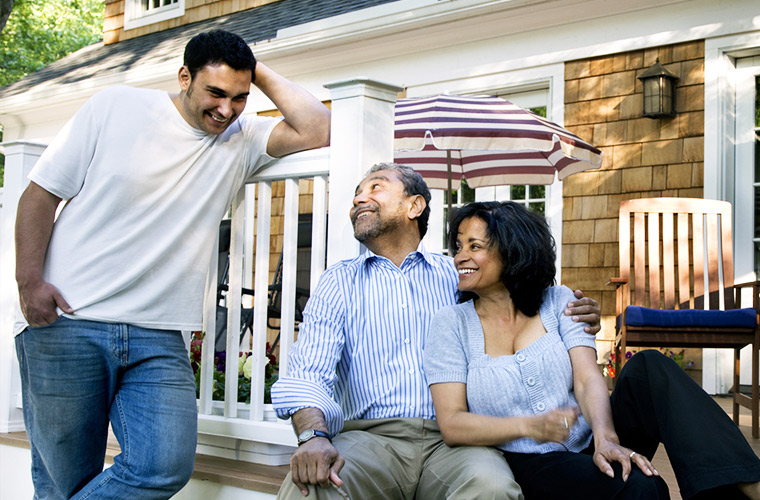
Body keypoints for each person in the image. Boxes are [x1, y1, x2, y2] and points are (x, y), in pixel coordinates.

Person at [14, 29, 330, 500]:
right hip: (69, 320)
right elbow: (40, 195)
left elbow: (319, 127)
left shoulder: (242, 137)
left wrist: (252, 67)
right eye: (215, 92)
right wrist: (29, 282)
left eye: (239, 97)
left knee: (164, 465)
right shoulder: (115, 106)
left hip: (159, 334)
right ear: (185, 77)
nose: (226, 109)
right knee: (64, 481)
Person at [271, 163, 602, 499]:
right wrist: (313, 436)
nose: (358, 199)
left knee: (492, 487)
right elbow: (308, 374)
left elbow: (521, 301)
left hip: (454, 444)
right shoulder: (339, 281)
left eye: (375, 187)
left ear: (414, 205)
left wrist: (578, 313)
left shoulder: (459, 276)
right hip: (370, 439)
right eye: (357, 193)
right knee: (312, 485)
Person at [424, 201, 760, 500]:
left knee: (649, 367)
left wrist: (605, 438)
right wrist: (530, 426)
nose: (460, 256)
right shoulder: (451, 323)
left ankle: (746, 483)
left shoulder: (559, 301)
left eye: (475, 246)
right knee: (644, 485)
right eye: (459, 246)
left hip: (592, 437)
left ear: (513, 250)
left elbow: (586, 378)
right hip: (529, 461)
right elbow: (453, 424)